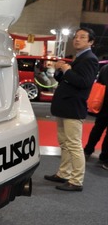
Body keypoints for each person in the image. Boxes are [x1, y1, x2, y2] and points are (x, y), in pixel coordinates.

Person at [44, 27, 99, 192]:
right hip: (65, 106)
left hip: (74, 107)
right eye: (76, 37)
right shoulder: (80, 57)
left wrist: (67, 70)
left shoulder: (90, 59)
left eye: (82, 37)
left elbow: (84, 82)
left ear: (91, 42)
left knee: (74, 145)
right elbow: (66, 81)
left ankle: (76, 180)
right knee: (65, 143)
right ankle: (63, 173)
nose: (77, 39)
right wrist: (60, 70)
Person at [83, 63, 108, 166]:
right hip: (104, 103)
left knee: (97, 129)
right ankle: (104, 157)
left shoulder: (105, 67)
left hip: (102, 103)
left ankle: (88, 150)